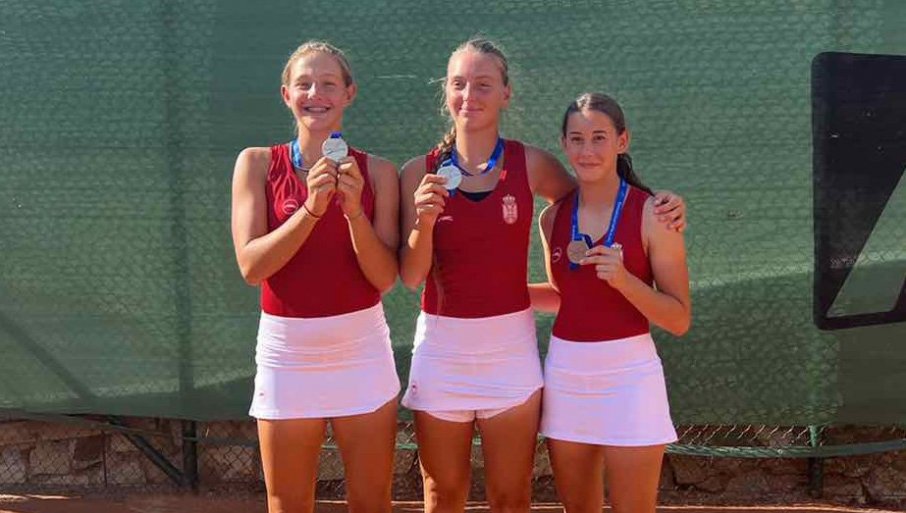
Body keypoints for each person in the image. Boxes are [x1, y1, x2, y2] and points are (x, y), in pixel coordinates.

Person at [398, 38, 686, 513]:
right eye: (459, 83)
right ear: (445, 91)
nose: (470, 95)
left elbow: (595, 194)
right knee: (442, 494)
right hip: (442, 351)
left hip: (512, 353)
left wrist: (662, 204)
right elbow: (411, 278)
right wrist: (424, 222)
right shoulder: (417, 173)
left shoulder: (531, 164)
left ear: (506, 93)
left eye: (484, 84)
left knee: (512, 497)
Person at [230, 41, 400, 513]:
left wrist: (353, 212)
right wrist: (310, 209)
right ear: (286, 94)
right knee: (287, 503)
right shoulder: (256, 163)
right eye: (304, 84)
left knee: (372, 501)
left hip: (362, 349)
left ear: (349, 93)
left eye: (328, 83)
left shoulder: (379, 173)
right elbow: (251, 267)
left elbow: (384, 278)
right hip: (287, 353)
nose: (315, 94)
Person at [531, 92, 691, 513]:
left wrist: (624, 282)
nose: (587, 150)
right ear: (564, 145)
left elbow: (678, 318)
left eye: (599, 138)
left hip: (630, 379)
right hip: (567, 376)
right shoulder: (552, 218)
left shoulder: (655, 214)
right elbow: (567, 297)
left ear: (622, 141)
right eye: (577, 139)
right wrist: (503, 291)